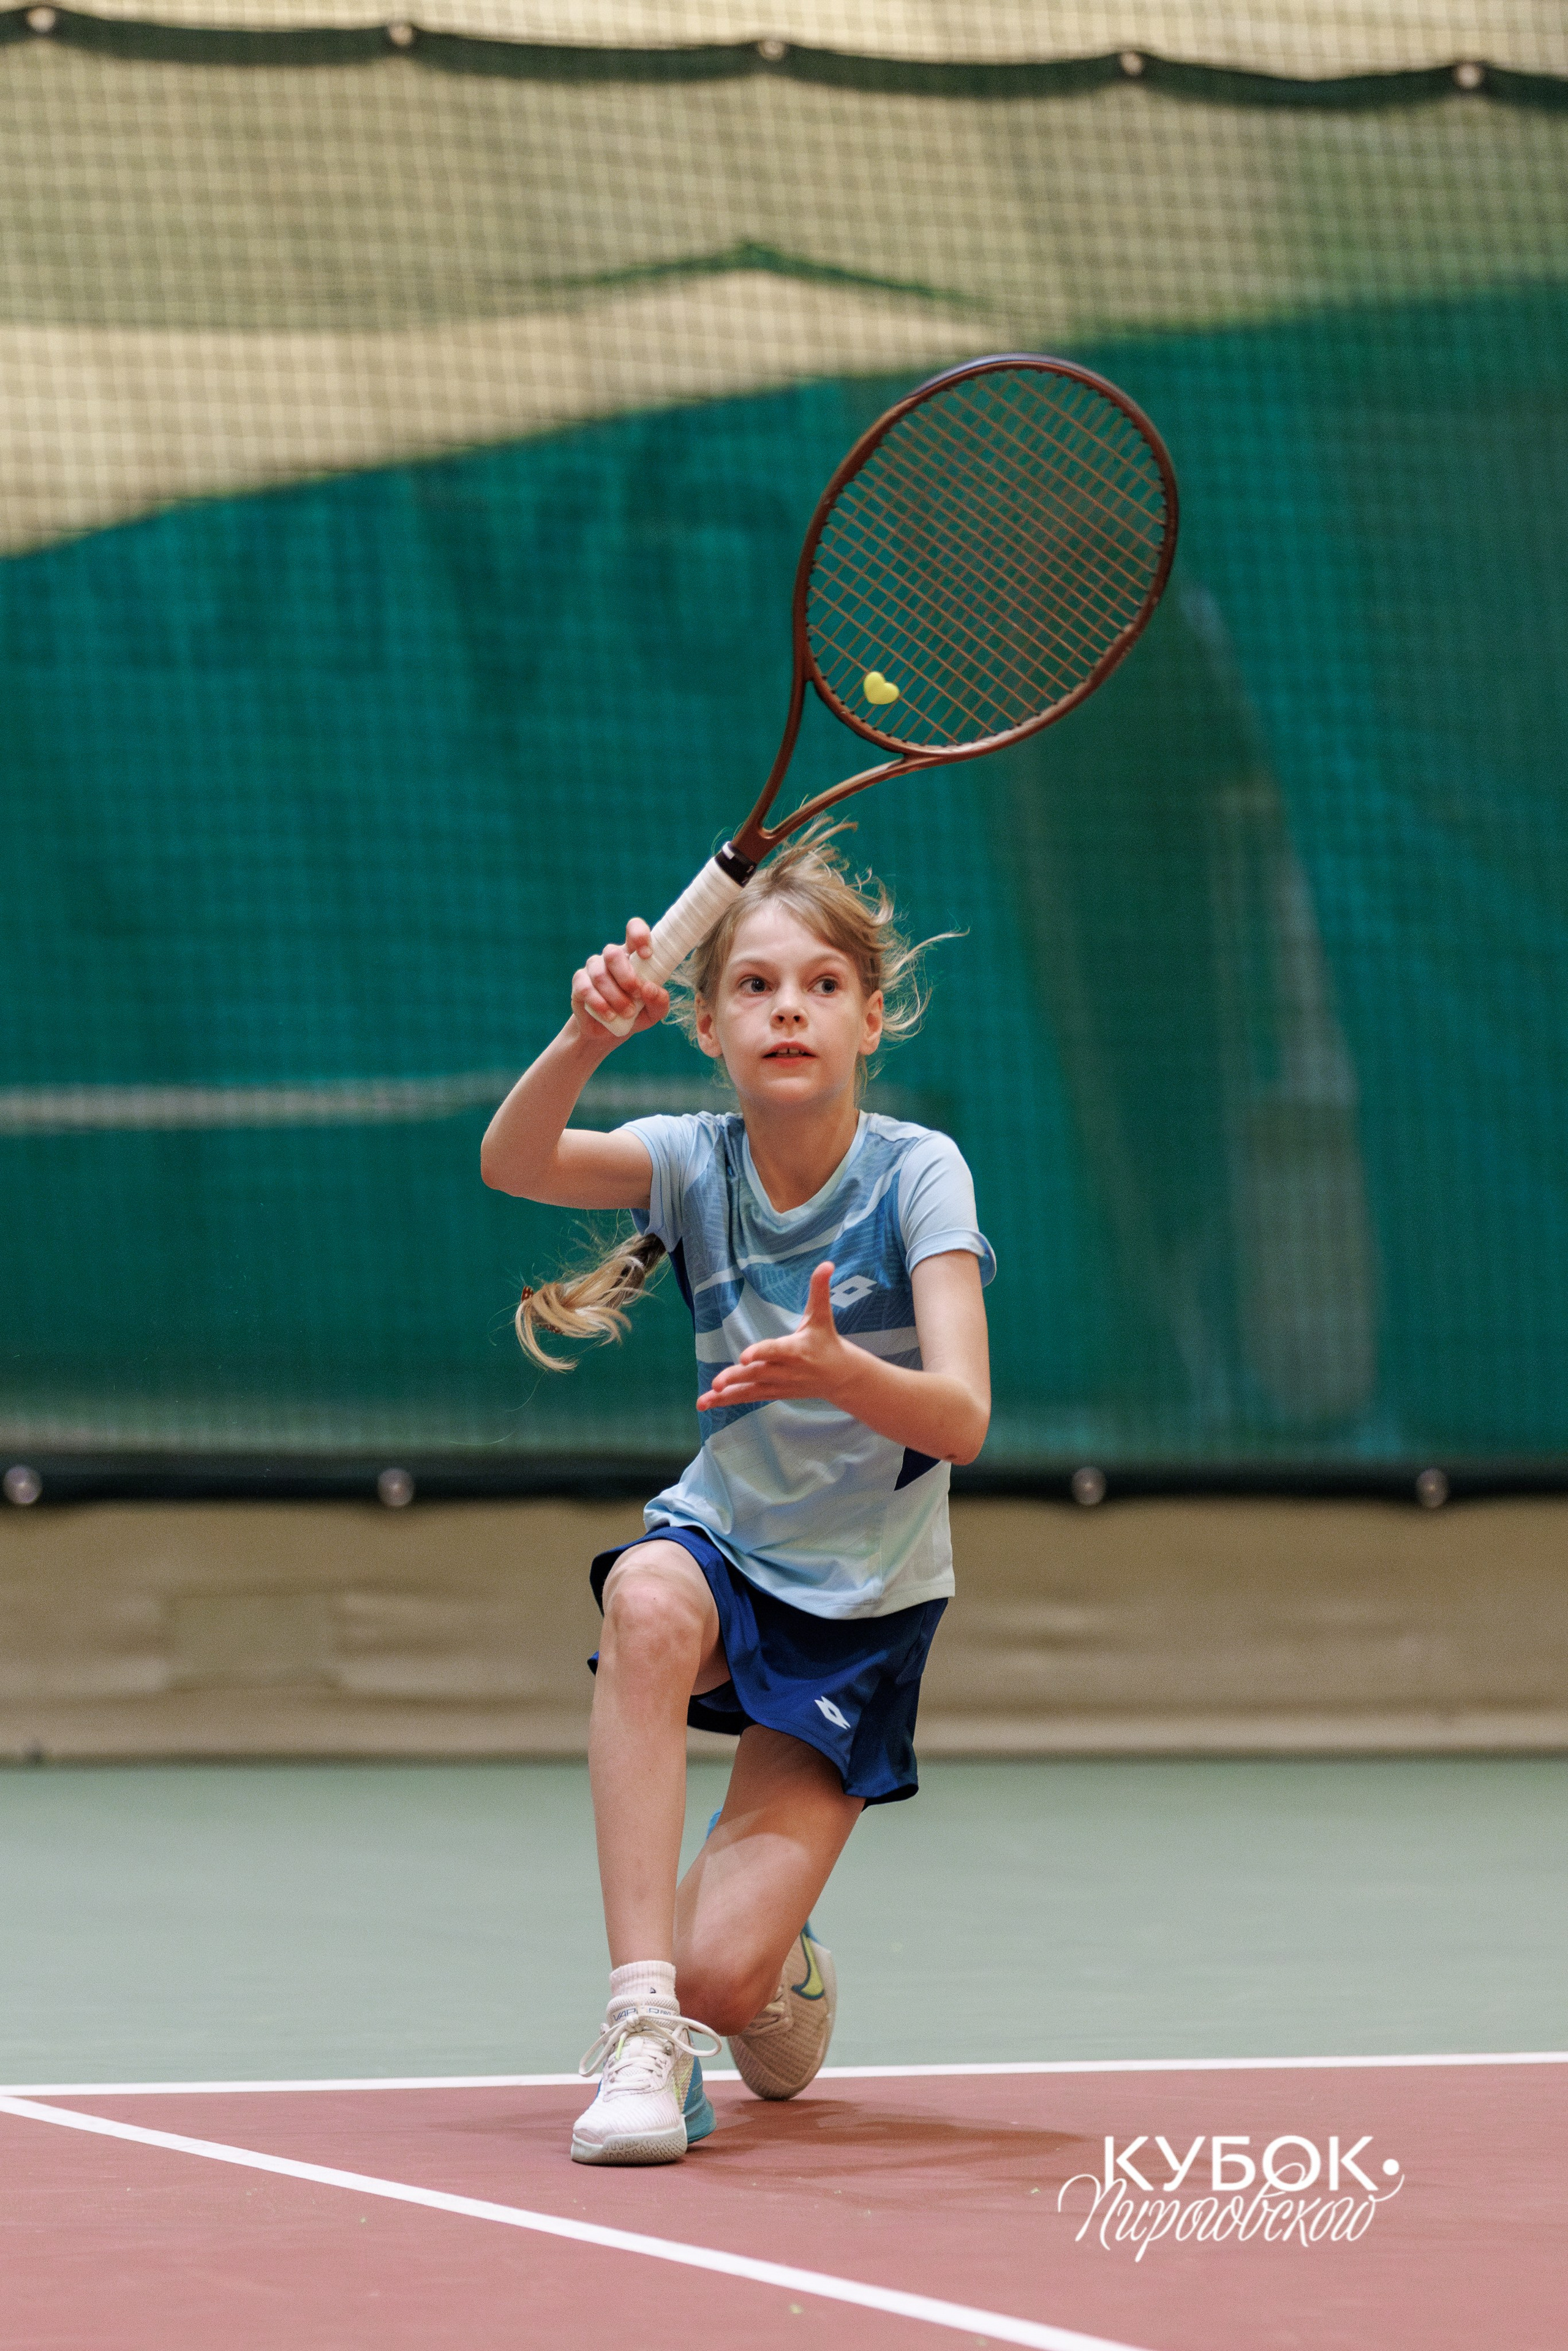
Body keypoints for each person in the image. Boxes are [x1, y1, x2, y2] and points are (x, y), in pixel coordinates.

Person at [480, 827, 993, 2165]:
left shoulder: (918, 1172)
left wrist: (837, 1369)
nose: (788, 1008)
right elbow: (514, 1157)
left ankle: (747, 1975)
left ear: (871, 1015)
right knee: (646, 1591)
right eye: (755, 986)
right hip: (725, 1549)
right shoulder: (691, 1159)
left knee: (732, 1978)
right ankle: (644, 2027)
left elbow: (962, 1415)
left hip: (864, 1604)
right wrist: (587, 1032)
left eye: (822, 984)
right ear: (706, 1023)